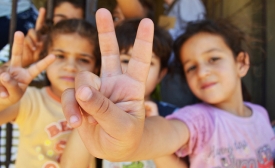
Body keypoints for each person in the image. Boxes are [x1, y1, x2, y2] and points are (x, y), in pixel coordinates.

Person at [61, 9, 275, 167]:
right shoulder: (196, 119)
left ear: (242, 62)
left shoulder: (262, 115)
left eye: (214, 58)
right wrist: (129, 139)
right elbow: (166, 133)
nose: (203, 72)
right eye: (191, 67)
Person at [60, 19, 179, 168]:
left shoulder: (173, 115)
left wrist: (155, 123)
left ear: (161, 74)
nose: (131, 68)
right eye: (124, 59)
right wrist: (88, 112)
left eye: (149, 63)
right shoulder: (95, 116)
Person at [0, 19, 100, 167]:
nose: (70, 67)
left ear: (96, 68)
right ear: (44, 56)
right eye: (60, 56)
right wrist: (5, 95)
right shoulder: (31, 100)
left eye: (83, 59)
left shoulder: (99, 110)